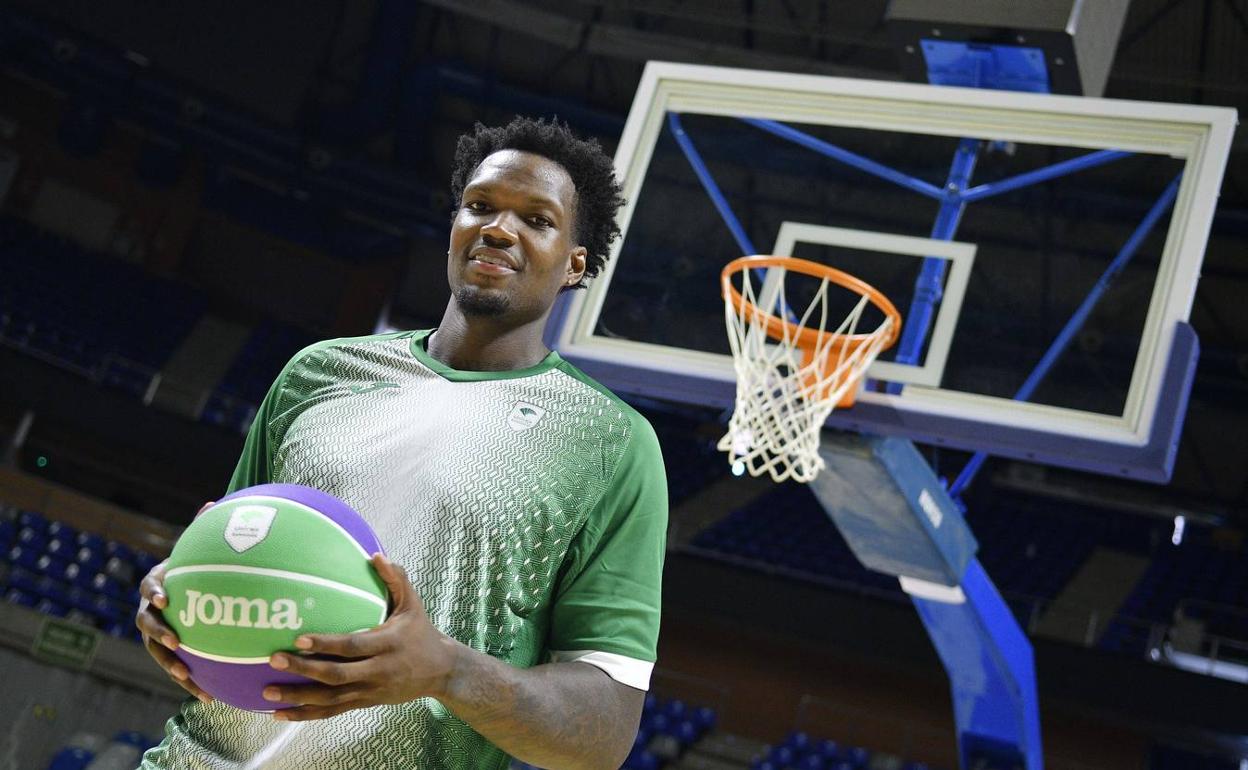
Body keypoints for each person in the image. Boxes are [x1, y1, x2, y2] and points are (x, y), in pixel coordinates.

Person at [134, 117, 668, 770]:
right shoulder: (318, 373)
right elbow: (236, 550)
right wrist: (176, 595)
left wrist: (448, 671)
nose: (498, 228)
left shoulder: (611, 443)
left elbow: (606, 732)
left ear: (576, 264)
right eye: (480, 206)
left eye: (537, 219)